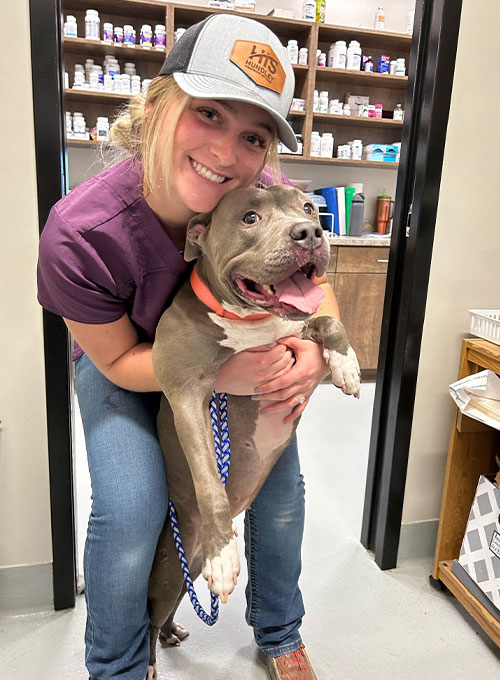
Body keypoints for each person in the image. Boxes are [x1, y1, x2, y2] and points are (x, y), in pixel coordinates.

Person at [38, 14, 340, 680]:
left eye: (252, 135)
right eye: (207, 113)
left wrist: (316, 354)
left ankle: (280, 629)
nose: (227, 154)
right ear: (156, 106)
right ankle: (118, 663)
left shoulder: (266, 192)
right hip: (129, 363)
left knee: (280, 490)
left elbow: (309, 276)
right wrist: (222, 375)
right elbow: (116, 359)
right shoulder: (78, 234)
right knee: (131, 509)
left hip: (230, 346)